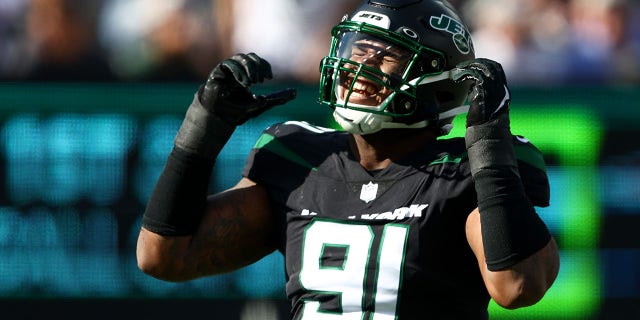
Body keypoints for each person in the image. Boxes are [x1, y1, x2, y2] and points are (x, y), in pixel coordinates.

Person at [136, 0, 560, 318]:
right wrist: (200, 135)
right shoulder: (299, 157)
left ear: (439, 83)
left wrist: (489, 148)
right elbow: (162, 257)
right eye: (357, 51)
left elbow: (518, 286)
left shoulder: (465, 171)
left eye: (385, 55)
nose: (360, 67)